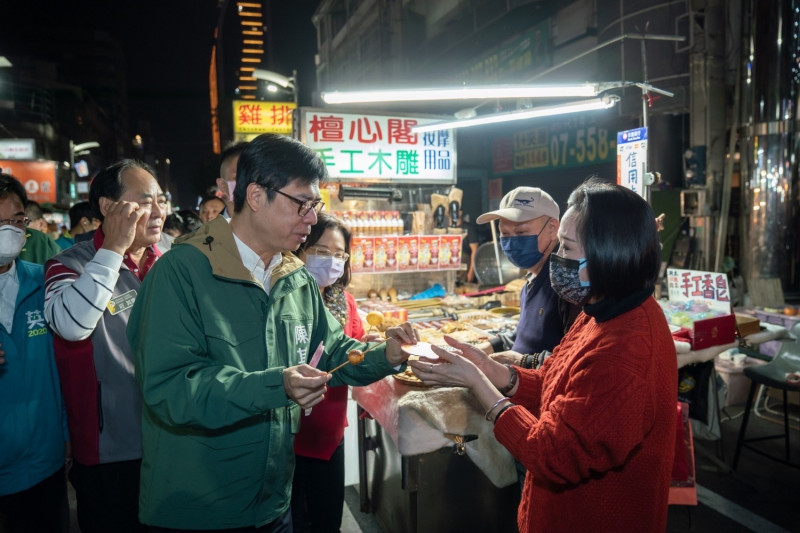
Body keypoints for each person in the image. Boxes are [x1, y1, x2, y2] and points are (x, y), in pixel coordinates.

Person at [127, 133, 416, 532]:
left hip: (273, 502)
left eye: (315, 206)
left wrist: (387, 354)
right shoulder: (181, 272)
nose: (312, 218)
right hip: (199, 508)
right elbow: (170, 387)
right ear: (257, 195)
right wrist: (276, 385)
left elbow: (331, 349)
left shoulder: (294, 276)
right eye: (302, 204)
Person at [409, 178, 677, 532]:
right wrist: (493, 370)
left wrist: (480, 386)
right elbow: (559, 379)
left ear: (607, 252)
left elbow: (551, 453)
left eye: (566, 247)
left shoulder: (625, 349)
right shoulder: (599, 309)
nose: (558, 258)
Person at [44, 159, 166, 533]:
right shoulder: (69, 266)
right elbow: (72, 325)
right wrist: (113, 249)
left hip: (171, 439)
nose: (159, 211)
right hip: (109, 450)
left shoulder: (171, 264)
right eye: (145, 201)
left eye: (162, 199)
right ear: (108, 207)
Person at [291, 212, 375, 533]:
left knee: (328, 521)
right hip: (292, 434)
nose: (331, 260)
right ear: (302, 248)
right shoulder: (287, 299)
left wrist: (375, 348)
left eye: (339, 254)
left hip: (330, 432)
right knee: (294, 520)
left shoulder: (346, 303)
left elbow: (354, 348)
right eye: (321, 251)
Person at [0, 174, 70, 533]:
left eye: (14, 221)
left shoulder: (45, 282)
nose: (8, 230)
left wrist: (67, 437)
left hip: (44, 464)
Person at [475, 186, 580, 369]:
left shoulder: (566, 284)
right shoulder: (531, 280)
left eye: (521, 232)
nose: (511, 241)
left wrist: (520, 362)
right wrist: (487, 348)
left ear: (552, 228)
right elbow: (526, 335)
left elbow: (575, 358)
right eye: (505, 233)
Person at [216, 141, 248, 218]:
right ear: (222, 185)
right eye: (238, 177)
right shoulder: (209, 230)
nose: (249, 183)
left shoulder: (278, 228)